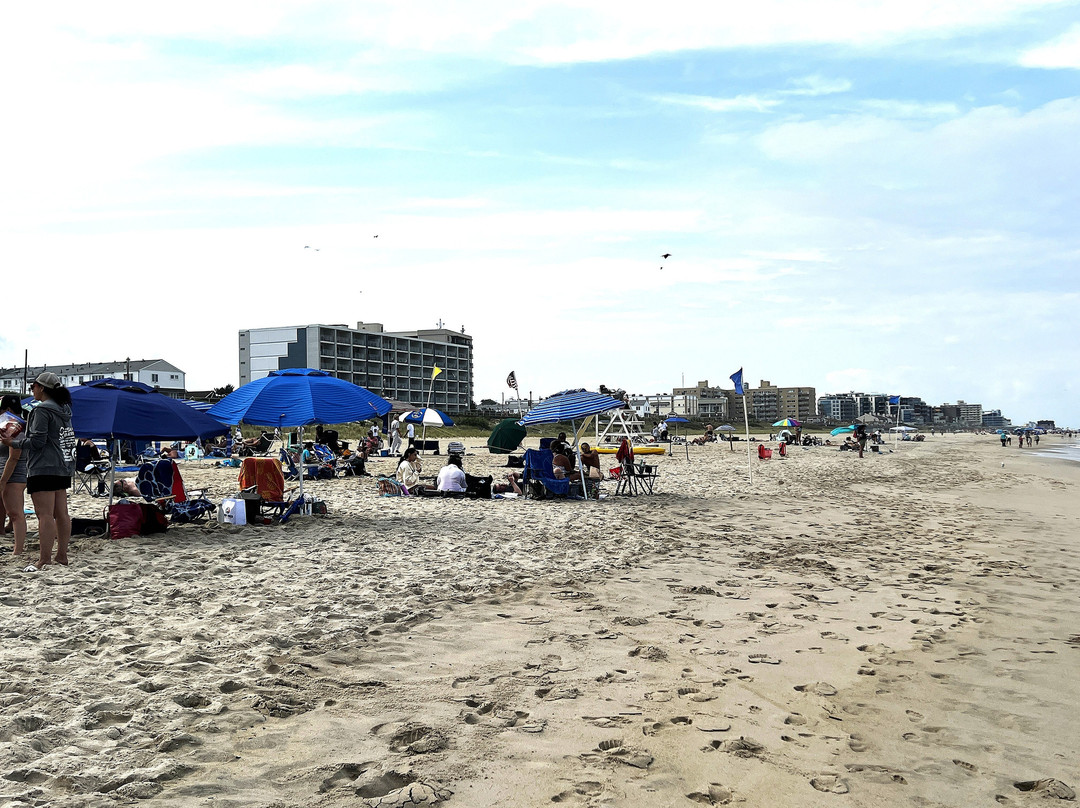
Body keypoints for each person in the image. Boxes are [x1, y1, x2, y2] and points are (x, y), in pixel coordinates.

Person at [4, 373, 75, 571]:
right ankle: (61, 555)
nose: (32, 390)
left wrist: (13, 442)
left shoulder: (42, 410)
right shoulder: (64, 410)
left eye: (33, 386)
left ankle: (44, 559)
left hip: (43, 466)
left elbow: (37, 442)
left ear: (41, 388)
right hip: (62, 465)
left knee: (44, 515)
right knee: (62, 514)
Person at [0, 394, 28, 557]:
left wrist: (3, 481)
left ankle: (18, 550)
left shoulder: (14, 426)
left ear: (8, 410)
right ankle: (15, 546)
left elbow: (14, 456)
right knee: (13, 512)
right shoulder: (11, 424)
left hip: (13, 475)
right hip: (9, 473)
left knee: (16, 514)